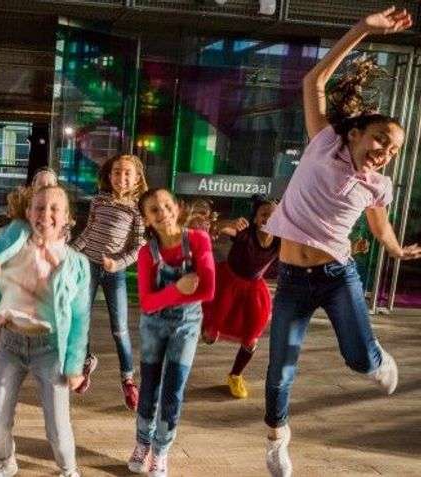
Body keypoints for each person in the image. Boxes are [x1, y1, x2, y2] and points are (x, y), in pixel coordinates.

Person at [260, 8, 420, 476]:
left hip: (335, 276)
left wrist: (392, 247)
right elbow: (314, 80)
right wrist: (363, 31)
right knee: (280, 370)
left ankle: (373, 356)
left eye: (393, 150)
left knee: (358, 360)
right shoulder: (323, 142)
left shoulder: (379, 185)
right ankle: (277, 439)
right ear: (355, 132)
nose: (384, 152)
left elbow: (377, 224)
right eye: (379, 140)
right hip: (291, 279)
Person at [0, 184, 90, 477]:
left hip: (51, 349)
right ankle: (5, 461)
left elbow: (81, 319)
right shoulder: (14, 239)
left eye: (54, 208)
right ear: (29, 213)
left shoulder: (77, 264)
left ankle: (69, 470)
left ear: (68, 217)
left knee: (58, 425)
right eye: (39, 207)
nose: (46, 214)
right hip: (11, 344)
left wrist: (74, 366)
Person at [128, 188, 215, 477]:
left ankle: (161, 451)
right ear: (146, 219)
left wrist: (165, 295)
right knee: (150, 386)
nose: (162, 211)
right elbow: (146, 302)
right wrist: (177, 289)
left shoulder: (198, 240)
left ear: (177, 208)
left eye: (166, 205)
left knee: (173, 389)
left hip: (187, 326)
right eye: (153, 209)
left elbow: (208, 289)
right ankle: (142, 444)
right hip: (153, 325)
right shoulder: (145, 252)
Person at [71, 154, 148, 409]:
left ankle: (128, 380)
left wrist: (118, 263)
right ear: (109, 175)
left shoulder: (137, 209)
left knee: (120, 329)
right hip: (89, 266)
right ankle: (85, 362)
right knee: (80, 319)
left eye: (127, 173)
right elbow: (88, 233)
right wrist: (70, 252)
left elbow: (138, 247)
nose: (121, 177)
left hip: (115, 272)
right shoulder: (98, 201)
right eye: (117, 172)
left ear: (137, 179)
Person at [201, 196, 280, 399]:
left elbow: (308, 247)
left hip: (253, 289)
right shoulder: (244, 232)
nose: (268, 219)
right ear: (255, 218)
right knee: (210, 332)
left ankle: (235, 375)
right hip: (227, 281)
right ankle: (209, 330)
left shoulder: (281, 240)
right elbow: (217, 227)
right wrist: (227, 223)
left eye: (273, 216)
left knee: (252, 337)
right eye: (263, 214)